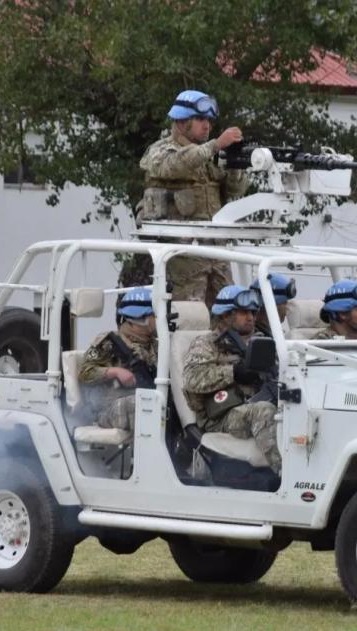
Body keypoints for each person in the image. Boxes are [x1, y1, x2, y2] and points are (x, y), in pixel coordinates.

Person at [138, 89, 249, 305]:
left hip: (217, 251)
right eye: (200, 119)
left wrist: (235, 163)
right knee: (190, 316)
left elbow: (236, 190)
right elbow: (175, 165)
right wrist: (216, 145)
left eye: (209, 120)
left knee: (228, 311)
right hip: (182, 254)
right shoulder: (160, 150)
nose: (207, 125)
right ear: (181, 121)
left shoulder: (210, 155)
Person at [182, 284, 281, 473]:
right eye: (243, 312)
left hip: (255, 403)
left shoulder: (262, 341)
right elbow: (192, 379)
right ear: (226, 315)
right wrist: (233, 372)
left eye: (253, 312)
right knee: (264, 411)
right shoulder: (207, 344)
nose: (250, 317)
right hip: (221, 416)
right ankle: (285, 474)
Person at [77, 287, 158, 431]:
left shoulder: (154, 345)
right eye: (154, 315)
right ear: (141, 319)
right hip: (110, 408)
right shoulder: (110, 343)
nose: (157, 320)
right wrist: (114, 372)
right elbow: (84, 373)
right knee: (145, 405)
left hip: (146, 400)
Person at [250, 273, 296, 338]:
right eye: (284, 303)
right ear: (271, 304)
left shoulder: (271, 333)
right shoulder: (257, 337)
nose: (287, 308)